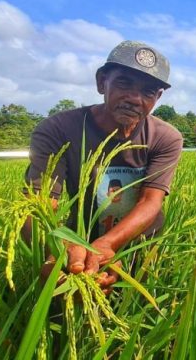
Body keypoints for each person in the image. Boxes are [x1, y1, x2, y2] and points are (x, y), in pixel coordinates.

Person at [21, 41, 183, 293]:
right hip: (77, 244)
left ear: (158, 97)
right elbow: (38, 206)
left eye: (148, 92)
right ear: (101, 82)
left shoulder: (165, 137)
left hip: (138, 245)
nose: (134, 98)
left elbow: (150, 202)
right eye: (124, 83)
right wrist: (56, 249)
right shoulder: (58, 129)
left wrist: (109, 244)